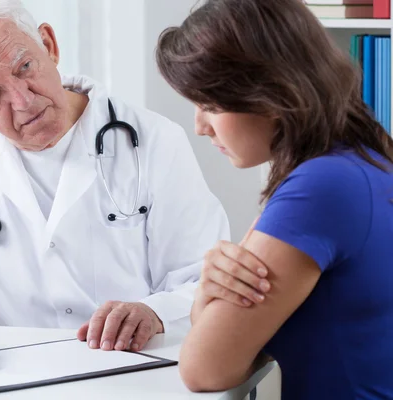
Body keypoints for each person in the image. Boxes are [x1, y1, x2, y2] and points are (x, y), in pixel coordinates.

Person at [0, 0, 252, 360]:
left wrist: (154, 313)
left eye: (25, 67)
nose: (23, 100)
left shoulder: (153, 139)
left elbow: (203, 279)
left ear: (49, 45)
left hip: (133, 369)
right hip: (12, 374)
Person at [156, 0, 393, 398]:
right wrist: (207, 294)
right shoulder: (366, 158)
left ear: (266, 89)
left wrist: (208, 295)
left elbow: (204, 369)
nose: (200, 127)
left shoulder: (319, 188)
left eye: (210, 104)